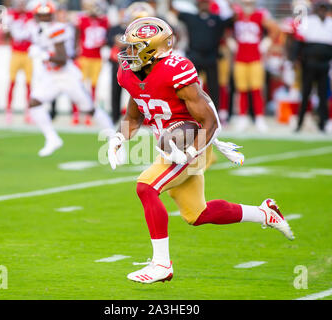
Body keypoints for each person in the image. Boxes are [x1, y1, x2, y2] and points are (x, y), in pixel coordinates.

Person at [107, 17, 294, 283]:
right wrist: (118, 138)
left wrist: (191, 152)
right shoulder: (128, 72)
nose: (128, 52)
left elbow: (210, 122)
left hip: (192, 142)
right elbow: (135, 115)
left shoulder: (176, 70)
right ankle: (265, 213)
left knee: (146, 187)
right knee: (197, 214)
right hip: (171, 145)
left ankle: (161, 264)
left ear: (153, 49)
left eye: (136, 47)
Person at [28, 0, 114, 157]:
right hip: (51, 76)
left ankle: (113, 138)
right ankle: (52, 138)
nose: (43, 18)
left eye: (46, 15)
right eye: (41, 15)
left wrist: (43, 54)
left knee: (88, 109)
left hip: (67, 75)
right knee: (34, 103)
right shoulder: (36, 30)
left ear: (51, 16)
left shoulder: (57, 29)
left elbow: (61, 58)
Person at [170, 0, 234, 113]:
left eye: (205, 3)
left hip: (211, 57)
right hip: (195, 57)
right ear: (198, 5)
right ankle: (186, 111)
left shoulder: (216, 19)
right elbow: (173, 10)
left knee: (214, 87)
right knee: (188, 86)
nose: (204, 5)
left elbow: (232, 18)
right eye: (201, 3)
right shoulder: (191, 17)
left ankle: (215, 113)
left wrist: (230, 5)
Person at [232, 0, 280, 133]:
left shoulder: (260, 15)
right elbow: (225, 28)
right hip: (240, 57)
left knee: (256, 89)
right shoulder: (237, 14)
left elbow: (275, 28)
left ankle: (259, 118)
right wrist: (229, 40)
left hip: (255, 58)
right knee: (241, 89)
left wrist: (267, 42)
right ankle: (243, 117)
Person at [291, 1, 332, 132]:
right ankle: (300, 122)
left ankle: (322, 123)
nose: (322, 11)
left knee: (323, 94)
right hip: (309, 63)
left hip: (324, 64)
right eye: (320, 8)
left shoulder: (330, 23)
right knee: (305, 93)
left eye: (324, 9)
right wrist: (294, 59)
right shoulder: (308, 21)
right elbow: (298, 41)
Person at [75, 0, 109, 125]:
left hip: (96, 58)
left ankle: (90, 114)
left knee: (94, 86)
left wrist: (102, 43)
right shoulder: (82, 19)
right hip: (84, 56)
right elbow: (77, 36)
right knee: (80, 86)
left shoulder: (104, 21)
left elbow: (106, 38)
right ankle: (77, 113)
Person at [5, 0, 34, 124]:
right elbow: (4, 31)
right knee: (12, 82)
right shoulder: (11, 15)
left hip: (28, 53)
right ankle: (9, 111)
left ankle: (29, 112)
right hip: (16, 53)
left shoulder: (31, 15)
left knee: (28, 84)